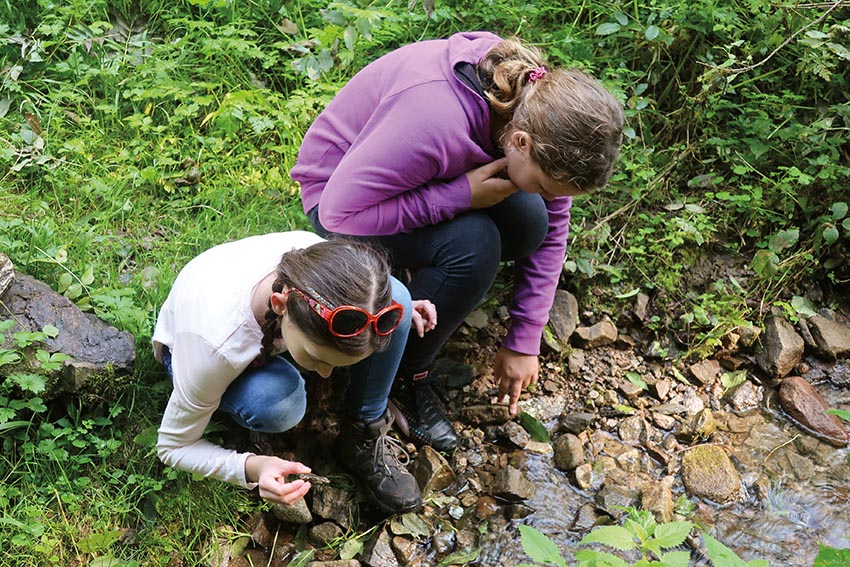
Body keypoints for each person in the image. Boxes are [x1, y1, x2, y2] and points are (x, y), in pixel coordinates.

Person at [291, 32, 624, 453]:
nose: (552, 197)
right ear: (520, 143)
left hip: (418, 177)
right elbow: (340, 213)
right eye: (543, 184)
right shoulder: (433, 120)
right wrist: (459, 197)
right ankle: (406, 374)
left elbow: (554, 224)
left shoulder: (534, 108)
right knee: (475, 244)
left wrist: (525, 338)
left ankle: (425, 276)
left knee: (530, 220)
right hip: (341, 196)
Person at [152, 231, 437, 514]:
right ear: (279, 305)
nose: (326, 375)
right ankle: (243, 419)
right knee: (279, 404)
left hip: (255, 327)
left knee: (397, 295)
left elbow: (373, 298)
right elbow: (173, 447)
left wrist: (395, 313)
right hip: (194, 349)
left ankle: (364, 429)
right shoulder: (214, 347)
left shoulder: (324, 265)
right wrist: (255, 466)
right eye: (317, 359)